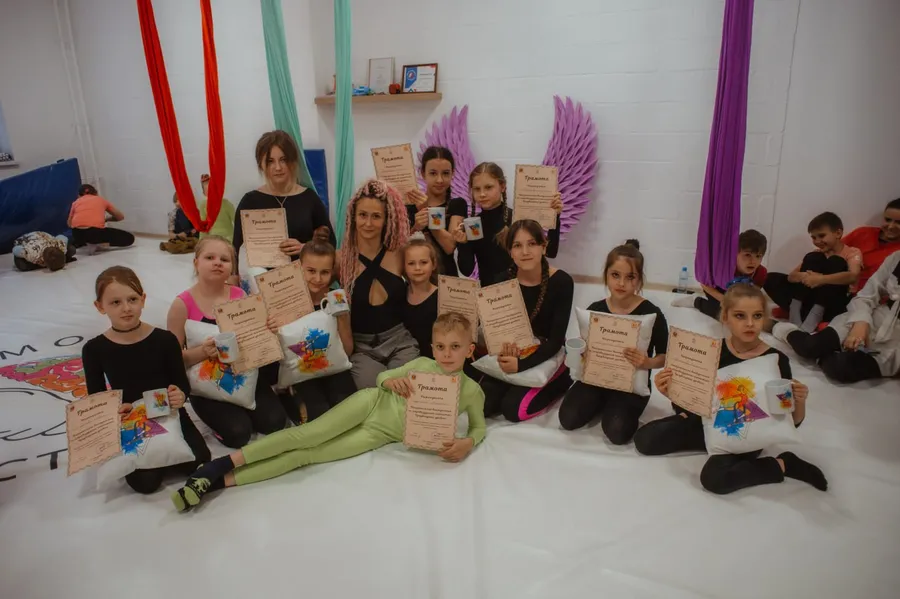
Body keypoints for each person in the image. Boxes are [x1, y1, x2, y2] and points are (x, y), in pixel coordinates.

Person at [171, 312, 485, 512]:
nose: (446, 354)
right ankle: (217, 466)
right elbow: (383, 377)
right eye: (440, 346)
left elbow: (479, 428)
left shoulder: (472, 391)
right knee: (306, 436)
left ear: (470, 349)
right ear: (432, 346)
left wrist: (467, 443)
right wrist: (392, 380)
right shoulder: (422, 364)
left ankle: (219, 482)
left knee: (307, 456)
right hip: (371, 403)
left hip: (379, 433)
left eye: (455, 347)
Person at [634, 284, 827, 495]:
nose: (750, 323)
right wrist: (671, 391)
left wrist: (800, 401)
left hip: (745, 431)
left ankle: (783, 464)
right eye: (740, 316)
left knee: (714, 479)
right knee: (645, 440)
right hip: (707, 420)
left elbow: (790, 421)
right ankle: (701, 436)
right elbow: (690, 402)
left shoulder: (776, 360)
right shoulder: (712, 351)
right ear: (725, 317)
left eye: (757, 315)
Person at [82, 266, 210, 494]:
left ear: (143, 299)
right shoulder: (94, 349)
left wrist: (179, 395)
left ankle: (166, 455)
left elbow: (181, 383)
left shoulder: (165, 340)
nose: (126, 308)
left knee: (199, 460)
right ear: (100, 306)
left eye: (132, 299)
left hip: (169, 413)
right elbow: (98, 398)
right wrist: (114, 411)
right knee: (146, 483)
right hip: (132, 423)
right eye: (115, 302)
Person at [166, 236, 287, 448]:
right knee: (238, 434)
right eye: (210, 257)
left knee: (274, 423)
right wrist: (203, 352)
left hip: (243, 375)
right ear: (196, 262)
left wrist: (269, 330)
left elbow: (255, 341)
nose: (217, 263)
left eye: (224, 259)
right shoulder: (181, 305)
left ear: (232, 267)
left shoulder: (240, 295)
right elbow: (171, 360)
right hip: (207, 385)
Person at [558, 240, 668, 445]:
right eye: (615, 275)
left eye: (630, 277)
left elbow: (665, 356)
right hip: (597, 378)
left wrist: (647, 362)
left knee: (617, 432)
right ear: (606, 275)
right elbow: (584, 347)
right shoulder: (595, 309)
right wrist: (582, 352)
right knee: (568, 419)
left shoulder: (652, 313)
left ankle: (613, 406)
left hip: (630, 384)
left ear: (639, 280)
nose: (621, 283)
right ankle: (602, 401)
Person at [475, 219, 574, 421]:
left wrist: (521, 365)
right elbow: (499, 330)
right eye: (517, 246)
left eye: (532, 244)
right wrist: (505, 353)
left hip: (545, 352)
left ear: (543, 247)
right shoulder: (502, 280)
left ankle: (560, 379)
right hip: (514, 351)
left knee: (512, 409)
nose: (525, 252)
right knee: (482, 405)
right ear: (510, 251)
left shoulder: (561, 282)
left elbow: (555, 341)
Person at [770, 250, 900, 383]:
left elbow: (852, 276)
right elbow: (867, 295)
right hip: (873, 317)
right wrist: (860, 323)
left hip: (894, 347)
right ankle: (778, 327)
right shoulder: (896, 258)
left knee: (841, 368)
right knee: (810, 347)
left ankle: (828, 354)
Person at [340, 178, 416, 389]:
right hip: (362, 348)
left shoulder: (400, 254)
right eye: (363, 215)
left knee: (406, 391)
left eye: (376, 216)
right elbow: (313, 287)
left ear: (386, 219)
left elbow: (425, 290)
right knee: (372, 393)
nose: (368, 223)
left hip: (399, 342)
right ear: (353, 217)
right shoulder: (341, 261)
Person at [277, 239, 356, 424]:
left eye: (325, 272)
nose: (318, 279)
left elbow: (347, 350)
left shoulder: (336, 297)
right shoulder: (286, 301)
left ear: (332, 271)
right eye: (311, 271)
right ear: (299, 268)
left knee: (349, 410)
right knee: (318, 414)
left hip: (334, 367)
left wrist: (343, 317)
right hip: (301, 371)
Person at [233, 130, 335, 271]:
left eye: (283, 160)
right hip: (262, 280)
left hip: (305, 279)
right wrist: (234, 277)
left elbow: (331, 245)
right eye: (270, 161)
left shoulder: (309, 198)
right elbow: (236, 249)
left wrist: (305, 248)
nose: (278, 167)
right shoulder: (249, 202)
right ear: (261, 164)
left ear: (292, 162)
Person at [455, 162, 562, 286]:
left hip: (522, 290)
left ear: (502, 186)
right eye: (477, 189)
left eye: (488, 187)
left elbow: (550, 251)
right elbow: (466, 270)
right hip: (489, 293)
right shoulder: (473, 226)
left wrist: (555, 216)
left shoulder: (518, 220)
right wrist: (462, 244)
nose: (482, 194)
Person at [764, 212, 862, 331]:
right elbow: (791, 276)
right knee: (770, 278)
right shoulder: (817, 254)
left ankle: (814, 318)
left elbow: (853, 276)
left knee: (836, 261)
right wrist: (807, 276)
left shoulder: (852, 252)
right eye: (814, 237)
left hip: (834, 302)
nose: (817, 241)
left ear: (838, 233)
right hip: (810, 299)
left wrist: (821, 279)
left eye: (821, 236)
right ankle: (796, 311)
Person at [672, 229, 768, 319]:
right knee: (723, 315)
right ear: (735, 254)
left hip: (736, 295)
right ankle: (696, 301)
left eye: (758, 256)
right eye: (747, 255)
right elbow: (704, 283)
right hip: (717, 290)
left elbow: (752, 295)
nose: (753, 261)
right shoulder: (724, 266)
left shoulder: (761, 273)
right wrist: (723, 299)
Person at [406, 146, 467, 277]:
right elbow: (401, 247)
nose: (440, 180)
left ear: (452, 174)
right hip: (416, 280)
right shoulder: (410, 206)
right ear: (423, 173)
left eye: (445, 173)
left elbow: (449, 246)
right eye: (433, 173)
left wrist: (425, 210)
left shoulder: (457, 204)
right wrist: (415, 227)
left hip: (448, 279)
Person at [840, 198, 900, 291]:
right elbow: (832, 250)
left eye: (899, 222)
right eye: (887, 220)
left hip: (871, 296)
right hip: (839, 285)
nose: (891, 226)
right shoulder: (863, 233)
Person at [68, 183, 135, 251]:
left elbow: (69, 224)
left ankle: (84, 242)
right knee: (129, 238)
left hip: (77, 234)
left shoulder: (75, 203)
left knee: (84, 235)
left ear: (79, 195)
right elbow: (120, 217)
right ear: (96, 193)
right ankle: (99, 243)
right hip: (95, 233)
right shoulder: (100, 200)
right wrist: (106, 219)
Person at [403, 237, 440, 359]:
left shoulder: (442, 297)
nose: (418, 268)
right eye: (411, 263)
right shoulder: (399, 294)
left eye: (423, 262)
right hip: (406, 359)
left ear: (433, 264)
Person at [198, 172, 236, 243]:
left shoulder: (226, 204)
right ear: (204, 193)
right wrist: (201, 242)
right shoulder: (203, 205)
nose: (212, 194)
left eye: (213, 191)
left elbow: (237, 221)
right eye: (208, 192)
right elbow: (203, 227)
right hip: (212, 239)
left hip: (228, 238)